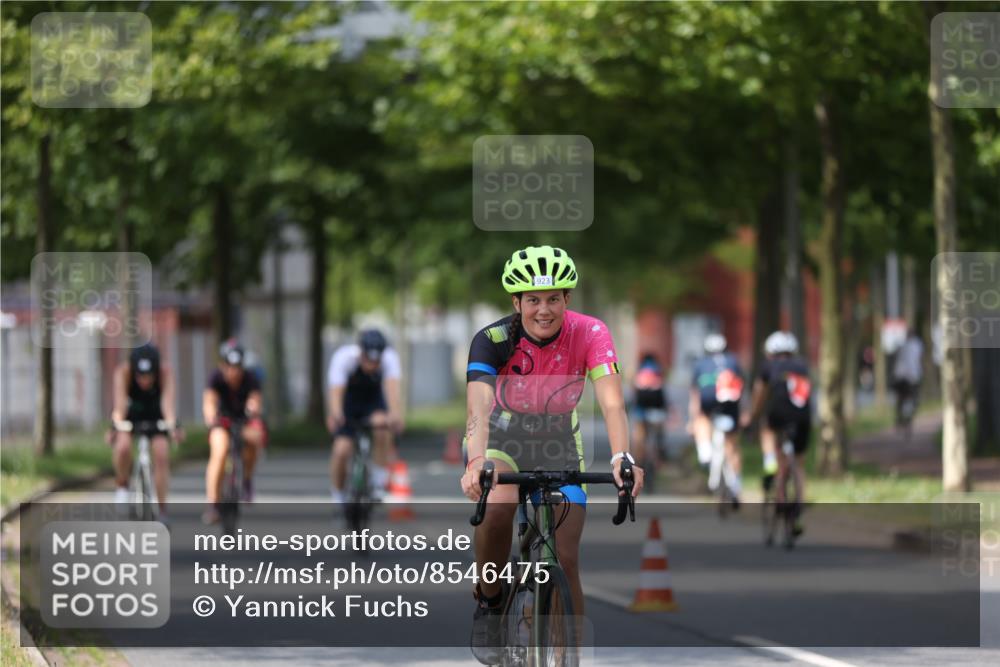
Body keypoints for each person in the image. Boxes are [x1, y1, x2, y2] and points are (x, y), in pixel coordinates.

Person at [460, 245, 643, 665]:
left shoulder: (591, 333)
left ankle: (568, 655)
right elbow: (478, 408)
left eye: (553, 299)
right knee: (497, 507)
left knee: (566, 557)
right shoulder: (493, 340)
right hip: (502, 439)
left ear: (567, 299)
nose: (544, 310)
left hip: (559, 441)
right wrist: (476, 462)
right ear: (517, 303)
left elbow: (612, 402)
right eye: (533, 300)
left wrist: (622, 456)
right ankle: (490, 599)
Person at [742, 331, 812, 533]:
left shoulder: (768, 366)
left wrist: (752, 416)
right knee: (798, 464)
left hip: (779, 415)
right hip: (803, 418)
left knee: (767, 429)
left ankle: (770, 462)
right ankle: (798, 511)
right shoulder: (803, 366)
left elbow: (759, 394)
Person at [327, 329, 404, 504]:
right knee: (341, 450)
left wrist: (394, 416)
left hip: (372, 402)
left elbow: (392, 392)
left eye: (376, 362)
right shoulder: (344, 358)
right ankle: (338, 495)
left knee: (383, 428)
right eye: (368, 360)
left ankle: (378, 482)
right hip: (349, 403)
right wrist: (336, 415)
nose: (371, 366)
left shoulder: (390, 358)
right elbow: (336, 394)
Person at [110, 343, 180, 517]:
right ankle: (122, 485)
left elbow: (168, 406)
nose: (145, 381)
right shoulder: (123, 373)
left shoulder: (165, 373)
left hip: (156, 416)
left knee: (161, 453)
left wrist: (173, 426)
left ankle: (161, 509)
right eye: (140, 376)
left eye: (149, 376)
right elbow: (119, 407)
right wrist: (116, 425)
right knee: (123, 447)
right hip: (131, 416)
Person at [202, 339, 266, 524]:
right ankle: (213, 504)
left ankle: (246, 479)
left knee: (255, 438)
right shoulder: (215, 378)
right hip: (221, 423)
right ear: (222, 365)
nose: (234, 372)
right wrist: (211, 416)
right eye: (229, 366)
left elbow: (255, 400)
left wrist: (253, 408)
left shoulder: (250, 379)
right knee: (220, 451)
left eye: (237, 367)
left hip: (243, 422)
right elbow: (209, 401)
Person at [688, 333, 745, 505]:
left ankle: (705, 451)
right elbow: (741, 388)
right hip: (730, 404)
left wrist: (692, 420)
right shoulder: (733, 361)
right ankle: (736, 485)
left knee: (702, 418)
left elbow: (695, 395)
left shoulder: (700, 364)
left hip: (708, 401)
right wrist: (744, 413)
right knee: (732, 446)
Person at [631, 353, 669, 467]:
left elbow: (635, 393)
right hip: (657, 410)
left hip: (640, 410)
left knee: (640, 437)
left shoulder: (639, 370)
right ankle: (658, 461)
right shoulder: (657, 370)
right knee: (657, 435)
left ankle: (638, 462)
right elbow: (662, 393)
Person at [892, 328, 924, 434]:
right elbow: (919, 360)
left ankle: (900, 418)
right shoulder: (918, 345)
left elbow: (897, 359)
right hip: (912, 378)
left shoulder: (902, 345)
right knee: (914, 399)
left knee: (901, 398)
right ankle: (907, 419)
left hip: (902, 377)